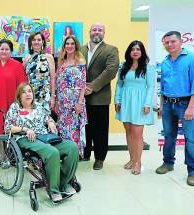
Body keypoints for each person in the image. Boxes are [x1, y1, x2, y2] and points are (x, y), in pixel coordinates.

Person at [4, 83, 79, 202]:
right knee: (52, 152)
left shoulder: (38, 106)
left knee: (72, 147)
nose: (28, 94)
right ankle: (53, 190)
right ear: (19, 95)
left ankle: (63, 183)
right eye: (24, 92)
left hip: (45, 137)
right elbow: (8, 128)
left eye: (29, 91)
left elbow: (48, 117)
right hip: (26, 138)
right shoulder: (15, 108)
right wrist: (25, 129)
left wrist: (50, 122)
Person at [156, 31, 194, 186]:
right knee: (169, 136)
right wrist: (162, 105)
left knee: (190, 138)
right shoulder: (165, 61)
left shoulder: (193, 58)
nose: (169, 44)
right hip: (168, 104)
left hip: (186, 104)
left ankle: (193, 171)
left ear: (181, 41)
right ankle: (168, 163)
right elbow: (162, 86)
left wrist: (191, 107)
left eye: (173, 41)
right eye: (166, 42)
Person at [114, 40, 155, 175]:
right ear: (129, 52)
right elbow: (119, 84)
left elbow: (150, 87)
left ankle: (138, 162)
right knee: (129, 131)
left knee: (137, 134)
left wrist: (147, 104)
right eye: (133, 49)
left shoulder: (148, 68)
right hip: (126, 101)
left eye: (138, 49)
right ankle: (132, 159)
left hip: (140, 102)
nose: (135, 51)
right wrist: (117, 100)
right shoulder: (123, 66)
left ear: (142, 52)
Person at [82, 22, 119, 170]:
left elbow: (110, 71)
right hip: (81, 97)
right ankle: (85, 154)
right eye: (94, 30)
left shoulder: (110, 50)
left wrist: (91, 87)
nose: (96, 32)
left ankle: (99, 158)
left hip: (99, 97)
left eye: (100, 30)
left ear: (104, 33)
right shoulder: (81, 49)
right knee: (85, 128)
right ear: (89, 32)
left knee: (100, 130)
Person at [0, 39, 27, 142]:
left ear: (11, 51)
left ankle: (10, 155)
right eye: (1, 49)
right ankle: (2, 155)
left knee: (11, 130)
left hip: (11, 103)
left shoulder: (17, 66)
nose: (4, 51)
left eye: (7, 49)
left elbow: (22, 87)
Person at [56, 35, 87, 158]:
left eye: (72, 44)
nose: (69, 46)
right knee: (63, 129)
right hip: (62, 102)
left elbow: (83, 84)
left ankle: (74, 156)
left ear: (76, 46)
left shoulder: (80, 61)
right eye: (67, 44)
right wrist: (57, 101)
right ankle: (65, 155)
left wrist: (79, 103)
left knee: (73, 130)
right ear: (64, 46)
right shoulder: (61, 61)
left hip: (74, 102)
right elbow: (58, 83)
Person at [22, 31, 56, 111]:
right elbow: (23, 77)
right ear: (30, 42)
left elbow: (53, 78)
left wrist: (52, 97)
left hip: (44, 95)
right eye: (34, 40)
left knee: (44, 120)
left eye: (39, 40)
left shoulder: (49, 57)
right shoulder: (26, 58)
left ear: (43, 42)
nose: (36, 42)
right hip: (30, 95)